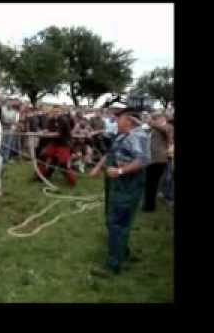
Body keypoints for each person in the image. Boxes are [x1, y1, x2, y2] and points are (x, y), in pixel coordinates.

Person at [89, 108, 150, 276]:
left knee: (117, 222)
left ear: (129, 120)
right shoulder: (122, 135)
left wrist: (120, 172)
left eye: (119, 119)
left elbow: (143, 160)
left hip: (127, 185)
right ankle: (122, 252)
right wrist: (97, 167)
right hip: (116, 183)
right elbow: (111, 153)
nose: (116, 121)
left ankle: (113, 265)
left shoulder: (137, 136)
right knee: (114, 219)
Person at [35, 105, 76, 186]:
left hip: (64, 144)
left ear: (60, 112)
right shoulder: (51, 120)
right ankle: (39, 176)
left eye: (57, 111)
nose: (55, 113)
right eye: (54, 112)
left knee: (63, 164)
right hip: (54, 143)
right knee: (43, 156)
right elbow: (48, 129)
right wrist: (43, 131)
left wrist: (46, 134)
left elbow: (57, 133)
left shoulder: (63, 120)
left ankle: (72, 181)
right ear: (52, 112)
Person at [142, 112, 174, 212]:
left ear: (162, 118)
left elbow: (165, 131)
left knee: (153, 182)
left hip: (159, 159)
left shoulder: (168, 127)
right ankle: (149, 204)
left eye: (156, 118)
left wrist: (150, 122)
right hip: (151, 158)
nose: (155, 120)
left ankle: (149, 206)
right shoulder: (155, 128)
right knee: (151, 182)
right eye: (153, 118)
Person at [0, 98, 20, 164]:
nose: (9, 104)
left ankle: (5, 159)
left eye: (10, 102)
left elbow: (14, 121)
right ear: (6, 102)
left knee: (8, 145)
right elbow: (1, 119)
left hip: (10, 130)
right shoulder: (2, 109)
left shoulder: (14, 112)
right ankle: (0, 158)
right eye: (8, 102)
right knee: (2, 144)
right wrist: (7, 123)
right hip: (3, 129)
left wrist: (12, 125)